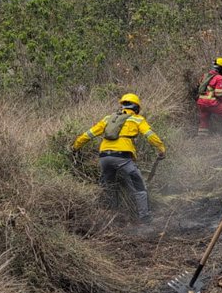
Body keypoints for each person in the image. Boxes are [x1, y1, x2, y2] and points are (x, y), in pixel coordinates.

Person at [71, 93, 166, 223]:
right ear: (136, 107)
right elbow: (150, 135)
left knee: (109, 186)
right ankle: (145, 217)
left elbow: (89, 134)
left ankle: (112, 217)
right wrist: (161, 148)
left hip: (104, 157)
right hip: (123, 157)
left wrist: (75, 146)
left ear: (122, 105)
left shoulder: (109, 118)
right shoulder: (137, 119)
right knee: (139, 187)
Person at [196, 57, 222, 136]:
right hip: (210, 102)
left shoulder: (205, 75)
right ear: (221, 68)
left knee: (204, 118)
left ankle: (201, 136)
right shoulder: (219, 78)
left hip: (200, 102)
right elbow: (218, 94)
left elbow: (198, 87)